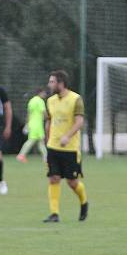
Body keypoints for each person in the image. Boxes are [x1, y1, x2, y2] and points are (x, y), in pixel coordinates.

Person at [43, 70, 88, 223]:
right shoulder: (50, 101)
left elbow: (79, 122)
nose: (49, 85)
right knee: (53, 178)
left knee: (72, 182)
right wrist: (47, 139)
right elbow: (49, 121)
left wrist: (67, 136)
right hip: (53, 147)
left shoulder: (76, 99)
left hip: (70, 149)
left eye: (52, 82)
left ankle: (84, 202)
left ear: (61, 83)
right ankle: (54, 214)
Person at [16, 87, 47, 163]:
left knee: (40, 142)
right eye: (44, 93)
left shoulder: (31, 101)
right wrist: (49, 118)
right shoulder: (40, 101)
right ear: (40, 93)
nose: (45, 94)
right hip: (37, 124)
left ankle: (46, 158)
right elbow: (44, 112)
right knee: (32, 141)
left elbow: (29, 114)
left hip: (32, 124)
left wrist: (27, 124)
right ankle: (21, 155)